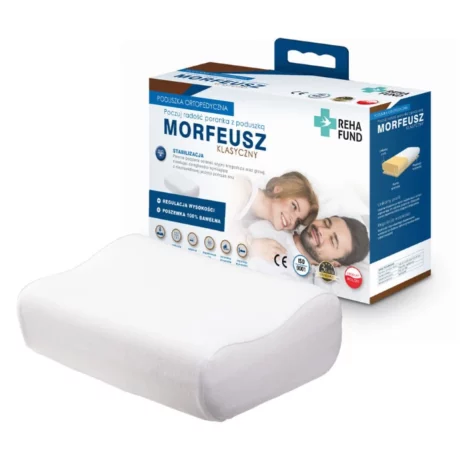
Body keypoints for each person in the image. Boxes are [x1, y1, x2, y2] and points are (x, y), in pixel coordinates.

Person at [228, 172, 319, 257]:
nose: (293, 220)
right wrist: (252, 245)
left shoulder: (256, 223)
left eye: (298, 221)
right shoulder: (241, 189)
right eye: (294, 206)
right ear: (278, 189)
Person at [248, 215, 369, 271]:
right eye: (326, 223)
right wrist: (247, 244)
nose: (321, 230)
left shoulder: (301, 286)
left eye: (332, 241)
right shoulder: (280, 219)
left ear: (334, 263)